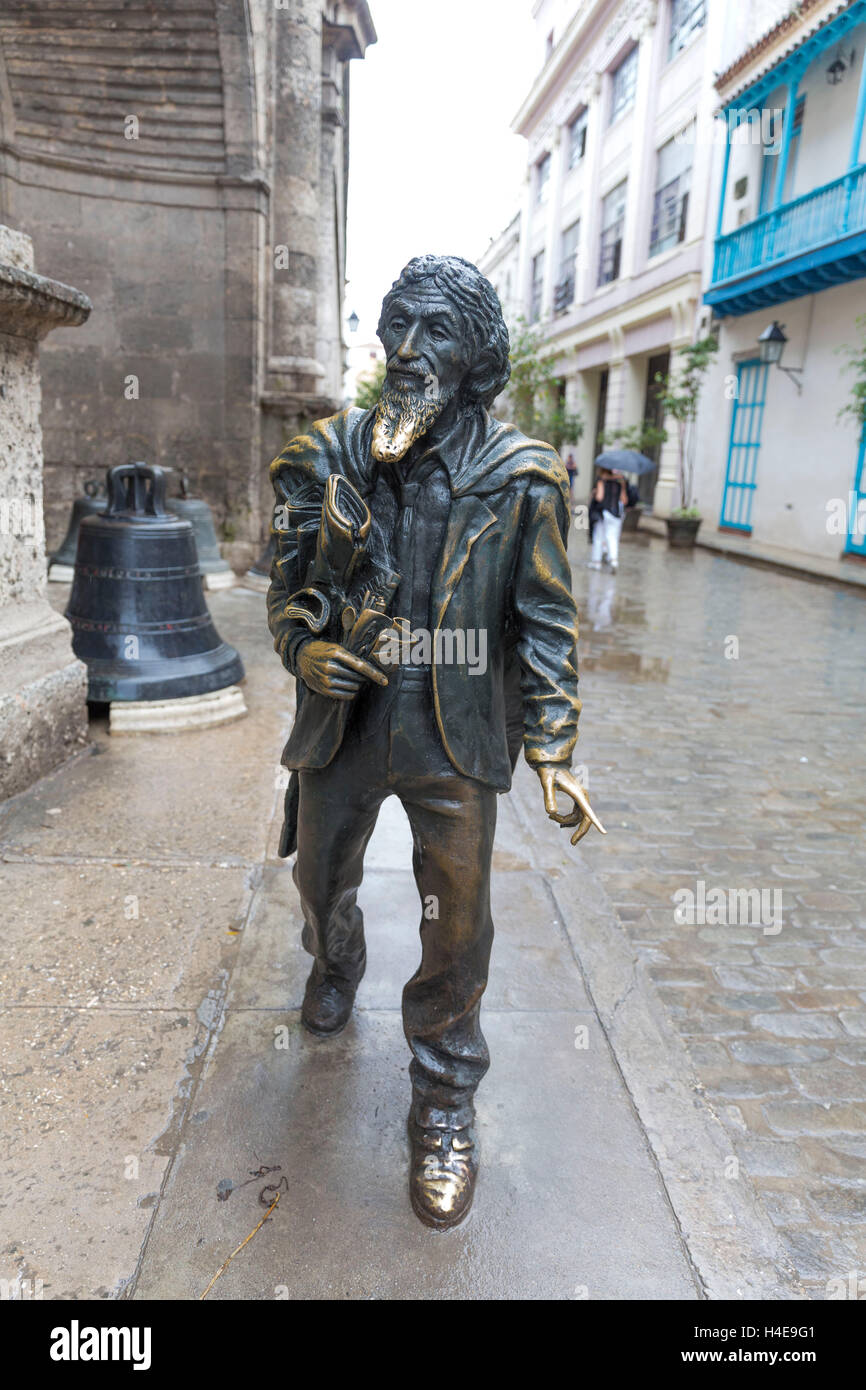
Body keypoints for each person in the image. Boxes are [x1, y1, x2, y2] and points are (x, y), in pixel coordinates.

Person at [267, 254, 603, 1230]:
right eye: (395, 328)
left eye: (433, 332)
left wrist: (552, 749)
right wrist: (305, 647)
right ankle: (334, 960)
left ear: (474, 357)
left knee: (456, 921)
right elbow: (285, 584)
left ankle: (444, 1099)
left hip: (453, 726)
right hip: (348, 713)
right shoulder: (324, 455)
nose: (406, 351)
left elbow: (543, 623)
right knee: (318, 875)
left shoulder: (520, 479)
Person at [588, 467, 628, 572]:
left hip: (603, 513)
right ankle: (614, 560)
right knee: (612, 538)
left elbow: (599, 498)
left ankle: (596, 562)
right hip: (616, 515)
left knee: (598, 537)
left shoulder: (601, 481)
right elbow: (624, 501)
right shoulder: (619, 482)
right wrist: (622, 486)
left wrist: (594, 493)